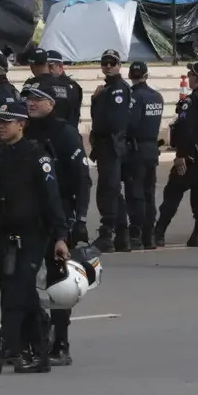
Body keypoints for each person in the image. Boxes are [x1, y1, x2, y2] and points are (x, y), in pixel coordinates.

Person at [0, 101, 69, 375]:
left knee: (16, 291)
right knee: (23, 295)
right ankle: (38, 353)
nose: (1, 126)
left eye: (7, 121)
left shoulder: (36, 155)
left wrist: (60, 236)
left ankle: (2, 347)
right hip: (2, 233)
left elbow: (51, 199)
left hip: (31, 233)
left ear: (21, 124)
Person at [24, 79, 91, 366]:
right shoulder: (23, 130)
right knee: (23, 280)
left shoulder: (64, 133)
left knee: (58, 283)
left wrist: (80, 218)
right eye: (28, 98)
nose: (31, 103)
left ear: (51, 104)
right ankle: (30, 338)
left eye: (37, 98)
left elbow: (82, 179)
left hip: (58, 215)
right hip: (28, 215)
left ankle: (60, 343)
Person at [154, 62, 198, 247]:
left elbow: (184, 129)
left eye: (191, 74)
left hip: (190, 157)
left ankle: (159, 233)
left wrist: (180, 155)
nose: (189, 77)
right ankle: (197, 234)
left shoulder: (191, 101)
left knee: (172, 195)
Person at [89, 49, 131, 252]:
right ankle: (122, 234)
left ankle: (108, 233)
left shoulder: (118, 89)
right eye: (104, 62)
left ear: (119, 65)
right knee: (112, 190)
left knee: (108, 190)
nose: (107, 66)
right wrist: (95, 99)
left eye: (112, 63)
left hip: (111, 144)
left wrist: (97, 133)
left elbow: (113, 121)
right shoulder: (106, 89)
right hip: (105, 144)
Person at [120, 61, 163, 250]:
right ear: (146, 75)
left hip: (135, 150)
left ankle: (136, 233)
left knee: (135, 193)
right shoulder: (157, 96)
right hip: (151, 148)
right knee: (149, 193)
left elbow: (130, 124)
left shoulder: (133, 97)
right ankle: (149, 234)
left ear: (130, 76)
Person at [47, 50, 82, 127]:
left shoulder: (71, 86)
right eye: (45, 67)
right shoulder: (44, 84)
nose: (47, 70)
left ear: (60, 67)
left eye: (50, 66)